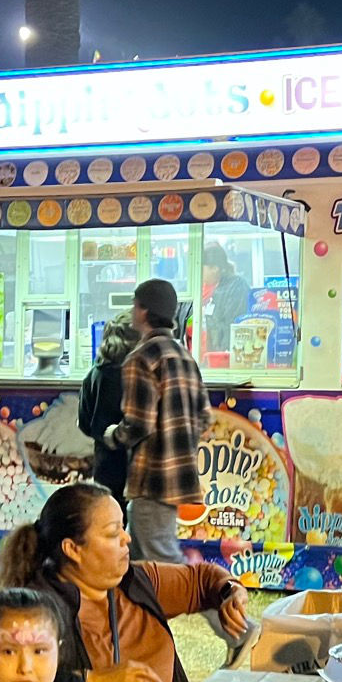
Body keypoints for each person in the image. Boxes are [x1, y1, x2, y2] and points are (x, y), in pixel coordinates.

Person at [0, 481, 248, 682]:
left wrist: (231, 591)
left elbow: (203, 578)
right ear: (73, 549)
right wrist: (97, 681)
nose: (126, 538)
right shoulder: (30, 613)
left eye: (123, 528)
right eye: (113, 532)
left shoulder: (137, 581)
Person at [100, 279, 251, 660]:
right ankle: (132, 646)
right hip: (179, 475)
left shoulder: (140, 358)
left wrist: (109, 437)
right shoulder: (185, 357)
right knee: (139, 568)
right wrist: (179, 443)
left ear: (143, 312)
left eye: (135, 305)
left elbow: (139, 424)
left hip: (151, 476)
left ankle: (239, 632)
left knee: (168, 568)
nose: (133, 311)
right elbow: (203, 417)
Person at [78, 316, 138, 504]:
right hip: (132, 467)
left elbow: (84, 424)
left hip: (104, 464)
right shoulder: (134, 376)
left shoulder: (94, 373)